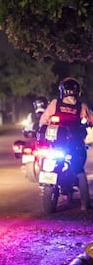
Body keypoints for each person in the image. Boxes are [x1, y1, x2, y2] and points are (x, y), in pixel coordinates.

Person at [39, 77, 93, 211]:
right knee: (79, 171)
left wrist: (41, 131)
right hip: (74, 146)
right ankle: (85, 204)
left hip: (56, 145)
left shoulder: (55, 104)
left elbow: (43, 121)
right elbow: (91, 119)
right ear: (77, 92)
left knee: (48, 162)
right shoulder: (81, 106)